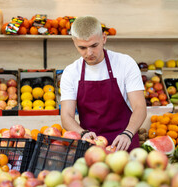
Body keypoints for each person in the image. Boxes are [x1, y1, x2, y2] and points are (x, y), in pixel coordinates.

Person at [60, 16, 146, 151]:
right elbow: (66, 116)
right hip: (91, 147)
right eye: (82, 47)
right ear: (74, 42)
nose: (89, 53)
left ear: (104, 38)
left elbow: (140, 107)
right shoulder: (71, 72)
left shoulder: (125, 63)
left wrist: (128, 133)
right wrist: (82, 133)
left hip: (125, 145)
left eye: (94, 46)